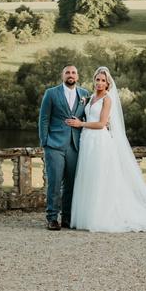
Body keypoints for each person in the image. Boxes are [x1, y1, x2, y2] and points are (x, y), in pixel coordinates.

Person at [67, 67, 146, 233]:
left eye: (103, 81)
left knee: (99, 177)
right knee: (88, 176)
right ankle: (86, 217)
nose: (100, 83)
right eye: (97, 79)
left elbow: (102, 123)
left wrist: (81, 124)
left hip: (99, 141)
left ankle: (99, 217)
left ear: (108, 84)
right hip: (87, 140)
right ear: (94, 80)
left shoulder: (107, 99)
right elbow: (89, 116)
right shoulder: (90, 98)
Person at [37, 65, 87, 230]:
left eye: (73, 72)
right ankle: (52, 218)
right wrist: (45, 141)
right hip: (54, 145)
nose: (70, 75)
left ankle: (67, 217)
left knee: (71, 184)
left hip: (75, 145)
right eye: (67, 72)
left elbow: (88, 117)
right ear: (62, 75)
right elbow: (44, 118)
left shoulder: (84, 94)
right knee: (55, 182)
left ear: (77, 76)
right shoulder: (51, 93)